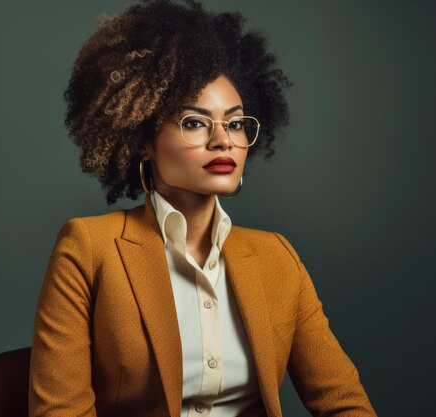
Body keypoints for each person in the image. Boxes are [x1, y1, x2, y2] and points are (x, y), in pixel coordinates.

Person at [28, 1, 377, 416]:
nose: (223, 140)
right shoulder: (88, 248)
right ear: (141, 138)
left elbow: (344, 403)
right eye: (194, 122)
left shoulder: (278, 259)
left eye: (234, 123)